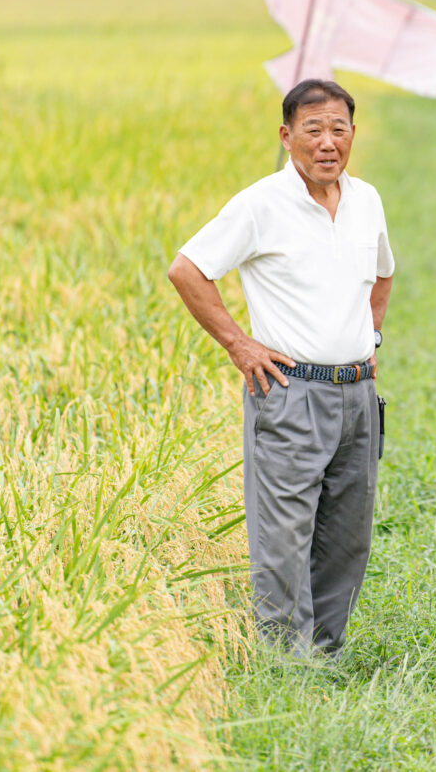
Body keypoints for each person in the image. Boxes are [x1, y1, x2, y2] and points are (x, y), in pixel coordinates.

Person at [168, 78, 393, 657]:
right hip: (291, 390)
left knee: (347, 535)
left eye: (338, 129)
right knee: (284, 535)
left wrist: (369, 335)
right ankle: (285, 663)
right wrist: (239, 345)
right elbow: (188, 270)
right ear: (287, 136)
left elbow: (383, 272)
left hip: (357, 394)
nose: (327, 142)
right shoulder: (260, 204)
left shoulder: (366, 199)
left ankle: (326, 654)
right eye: (313, 129)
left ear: (353, 134)